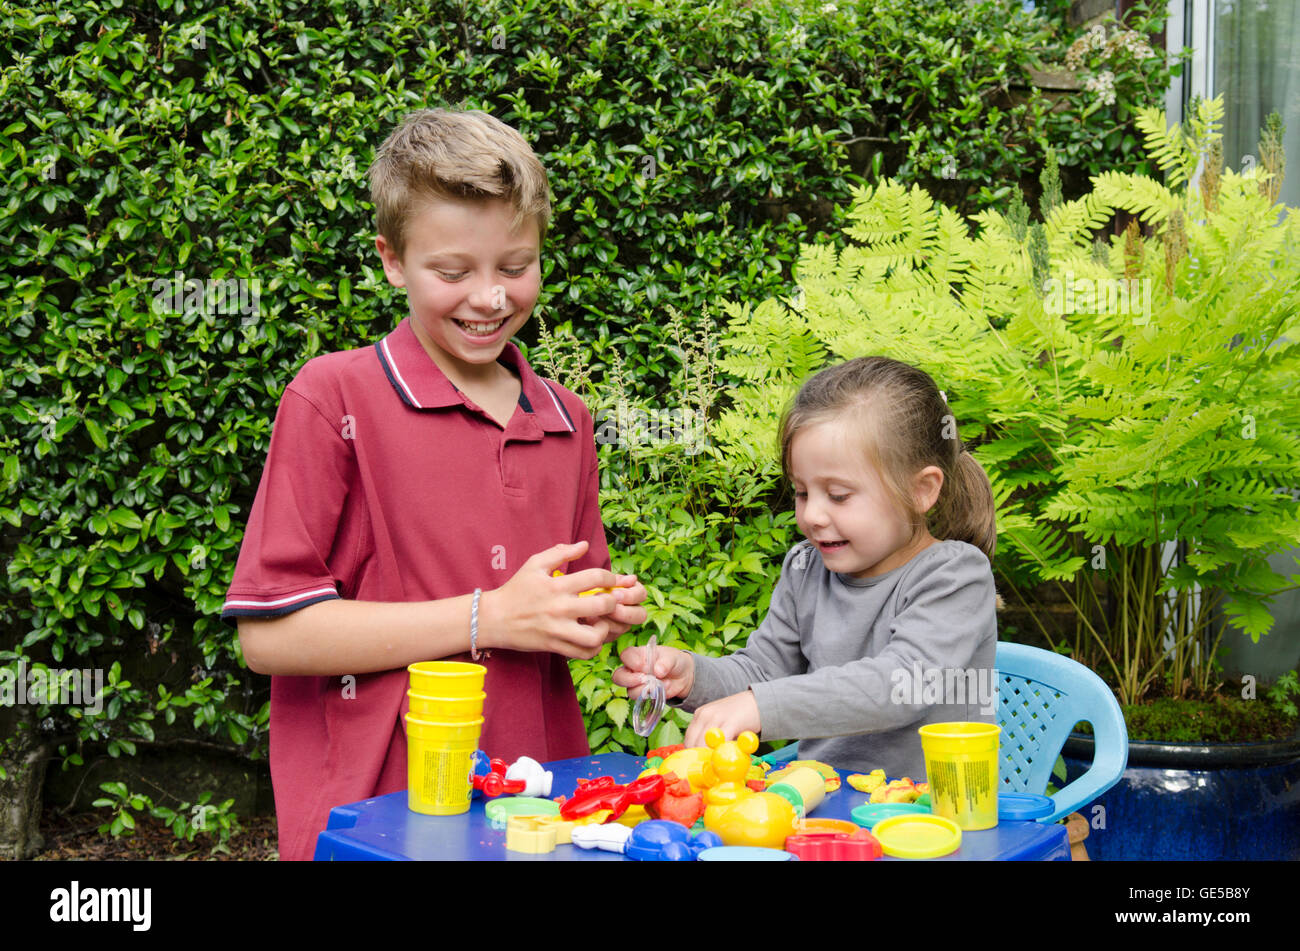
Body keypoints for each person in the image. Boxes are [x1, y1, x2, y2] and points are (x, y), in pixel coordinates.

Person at [222, 108, 647, 861]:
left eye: (515, 267)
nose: (488, 297)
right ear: (392, 260)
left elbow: (556, 610)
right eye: (452, 272)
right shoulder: (332, 398)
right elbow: (269, 634)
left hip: (533, 809)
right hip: (377, 816)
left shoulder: (567, 419)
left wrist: (594, 612)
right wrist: (489, 617)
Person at [614, 356, 997, 779]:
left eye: (837, 495)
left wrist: (762, 705)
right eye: (801, 492)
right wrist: (691, 677)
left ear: (921, 490)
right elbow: (761, 671)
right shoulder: (807, 569)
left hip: (934, 819)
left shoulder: (955, 576)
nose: (812, 515)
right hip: (825, 807)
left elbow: (899, 685)